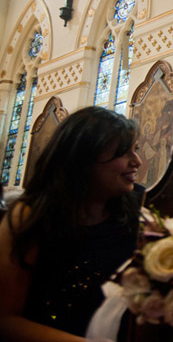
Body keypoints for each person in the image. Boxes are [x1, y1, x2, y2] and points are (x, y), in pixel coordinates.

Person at [0, 106, 143, 341]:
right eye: (123, 153)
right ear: (83, 158)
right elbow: (5, 320)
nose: (137, 161)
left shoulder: (138, 210)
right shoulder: (30, 218)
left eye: (135, 150)